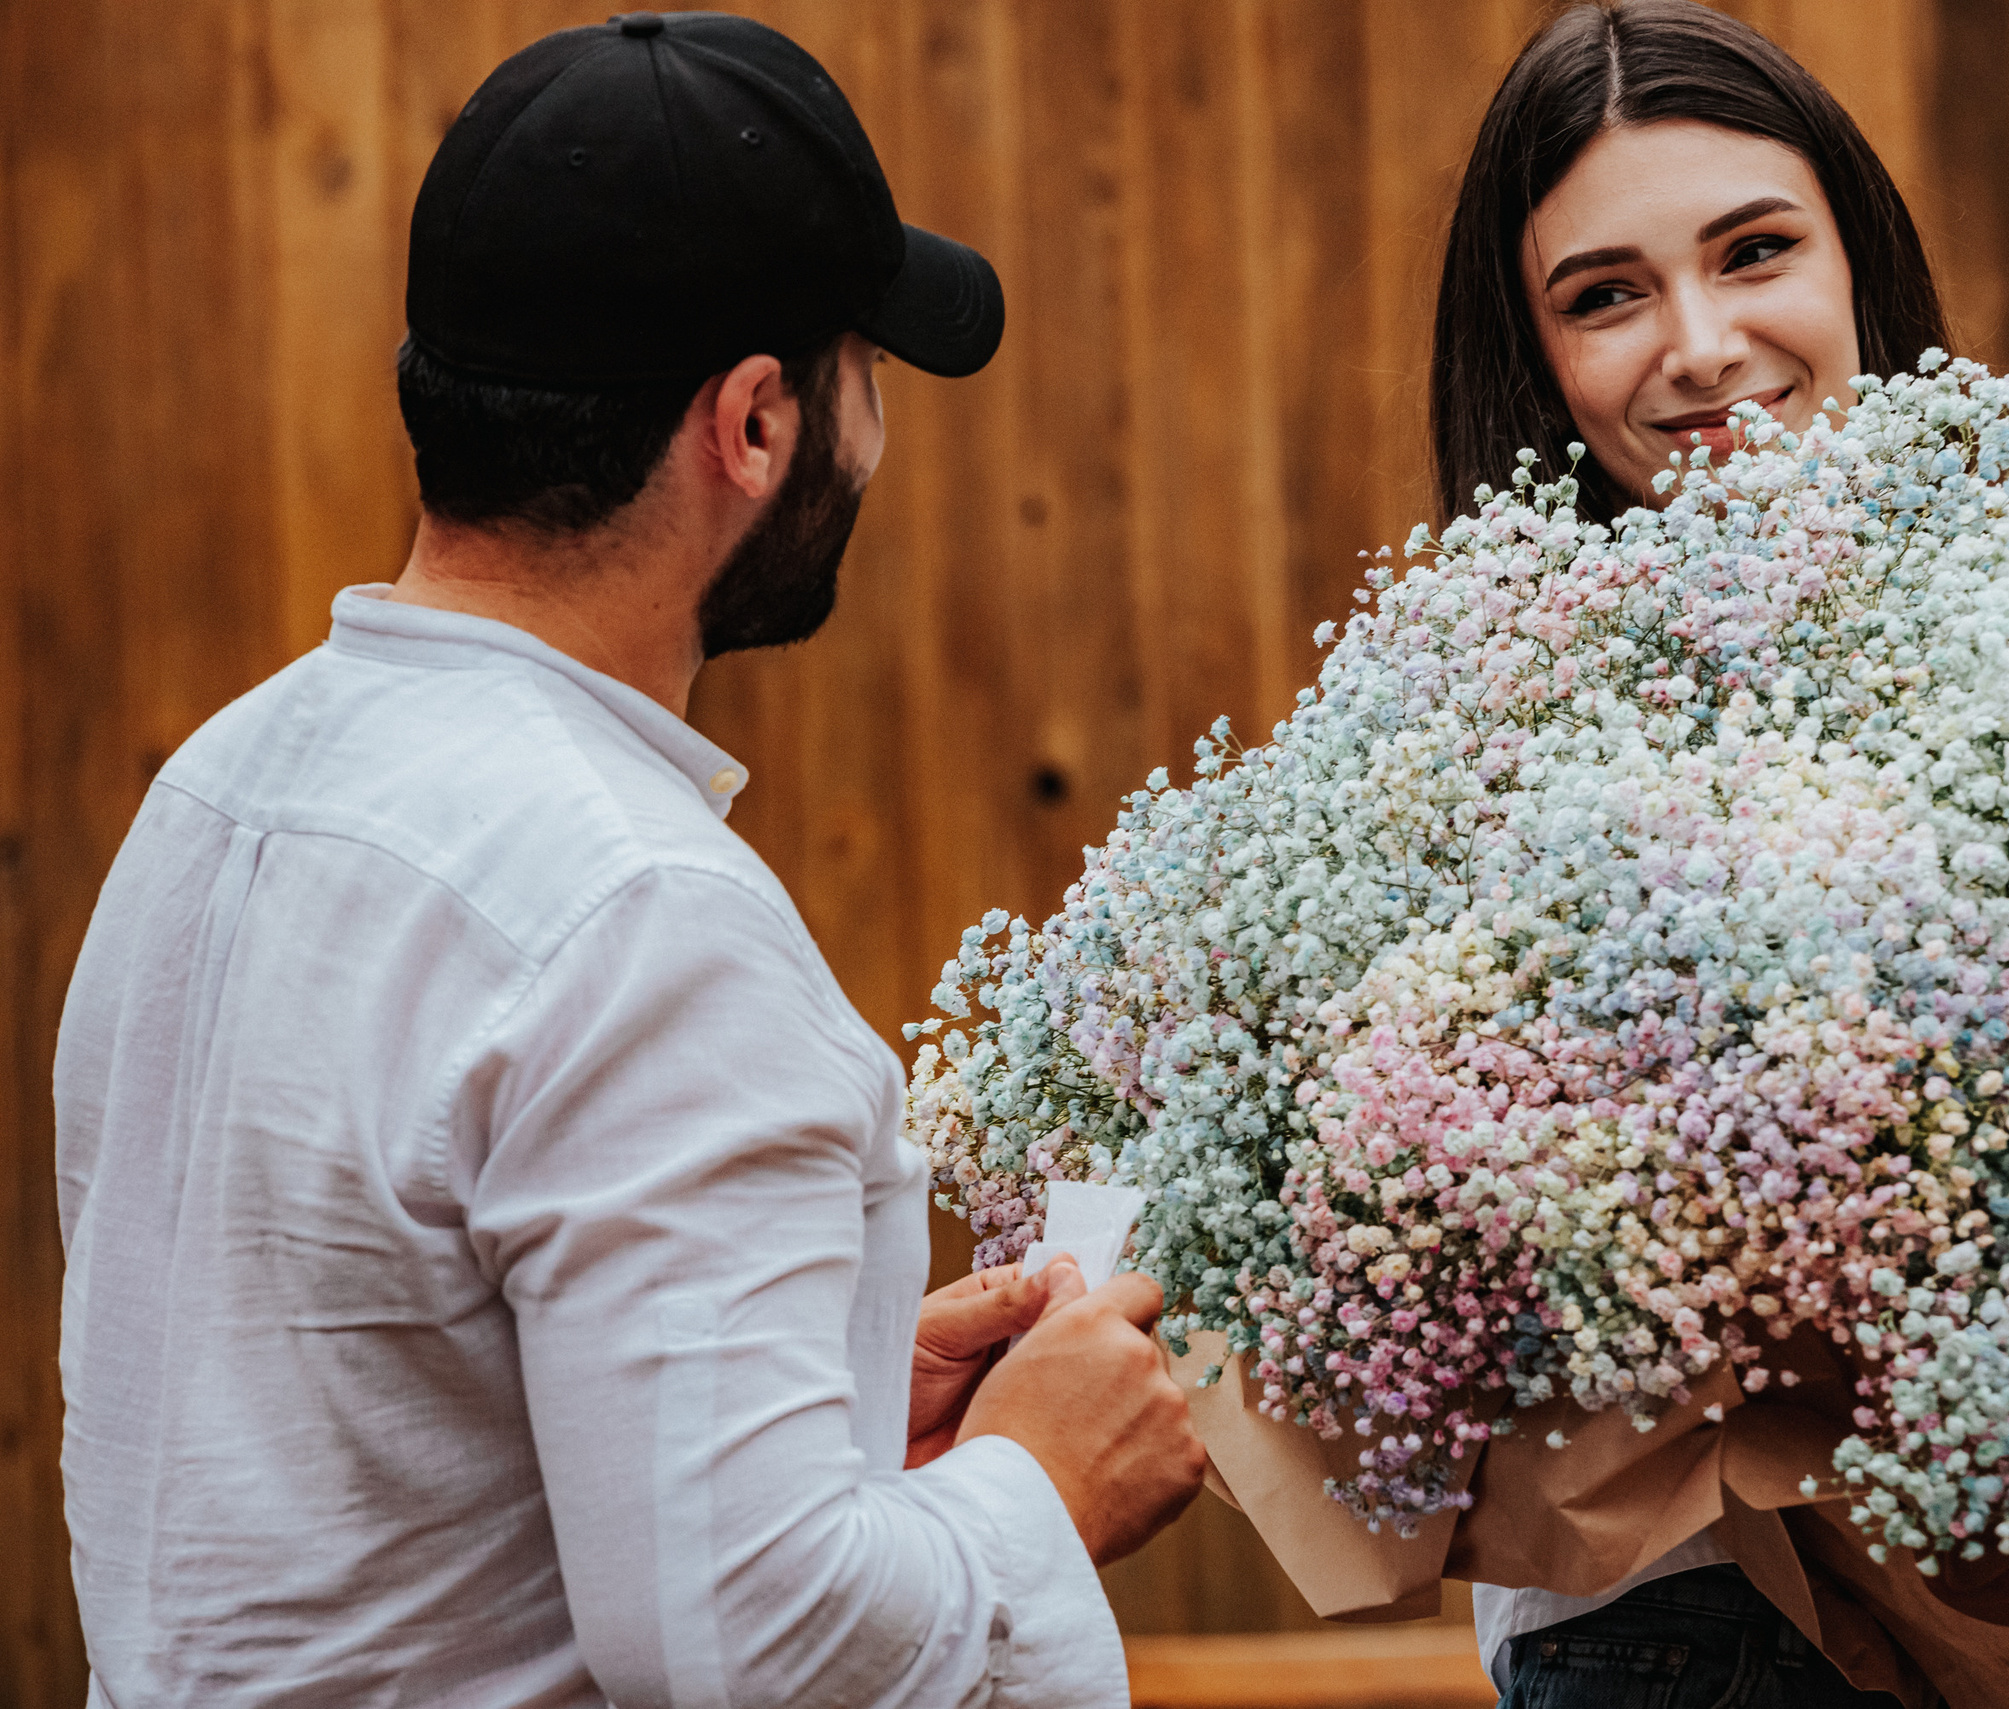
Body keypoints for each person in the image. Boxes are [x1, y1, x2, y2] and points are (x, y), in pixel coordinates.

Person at [54, 13, 1201, 1707]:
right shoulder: (640, 919)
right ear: (753, 425)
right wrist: (1039, 1481)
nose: (870, 433)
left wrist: (817, 1408)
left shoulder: (216, 791)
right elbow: (759, 1645)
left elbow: (378, 1449)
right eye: (859, 378)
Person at [1425, 7, 2009, 1708]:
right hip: (1685, 1631)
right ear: (1537, 355)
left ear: (1859, 258)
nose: (1701, 344)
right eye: (1607, 293)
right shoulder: (1461, 736)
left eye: (1754, 250)